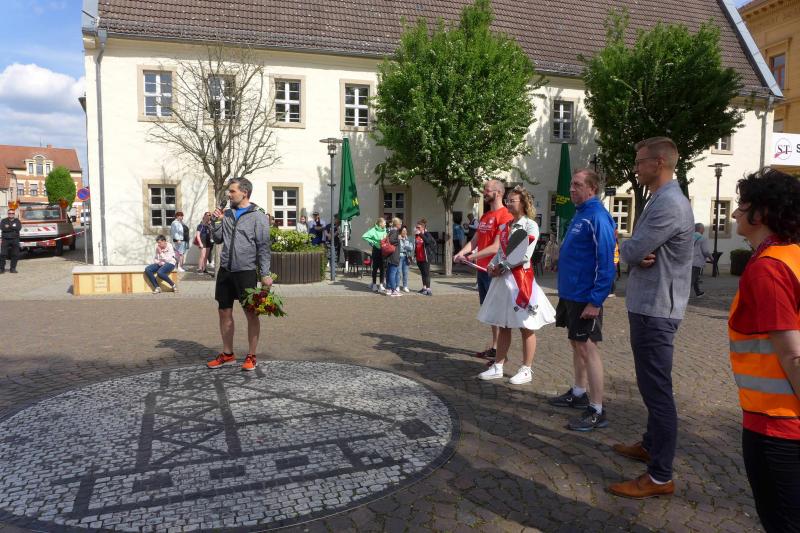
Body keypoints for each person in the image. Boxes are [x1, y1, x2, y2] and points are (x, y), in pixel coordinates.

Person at [608, 137, 694, 499]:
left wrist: (626, 244)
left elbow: (631, 250)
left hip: (657, 310)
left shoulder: (669, 203)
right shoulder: (661, 198)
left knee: (657, 392)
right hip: (651, 305)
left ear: (658, 163)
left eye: (640, 161)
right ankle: (649, 445)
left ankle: (660, 476)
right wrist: (635, 248)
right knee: (651, 386)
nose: (636, 168)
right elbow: (639, 249)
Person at [728, 168, 800, 532]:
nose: (734, 213)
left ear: (762, 212)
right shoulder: (792, 255)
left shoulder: (768, 269)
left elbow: (792, 355)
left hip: (777, 425)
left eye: (742, 205)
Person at [548, 169, 616, 431]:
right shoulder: (581, 214)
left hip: (586, 296)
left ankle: (597, 409)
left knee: (588, 348)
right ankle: (579, 393)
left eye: (577, 185)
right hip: (570, 293)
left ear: (592, 188)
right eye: (571, 184)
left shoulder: (597, 216)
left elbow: (606, 262)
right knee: (576, 344)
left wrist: (596, 301)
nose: (571, 189)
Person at [476, 186, 556, 384]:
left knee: (526, 326)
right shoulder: (505, 227)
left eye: (512, 200)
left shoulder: (530, 225)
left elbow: (525, 254)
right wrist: (492, 265)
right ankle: (498, 366)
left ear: (523, 203)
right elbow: (500, 252)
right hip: (503, 282)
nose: (508, 203)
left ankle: (526, 369)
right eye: (508, 200)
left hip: (521, 281)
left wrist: (502, 266)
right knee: (503, 324)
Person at [206, 177, 272, 372]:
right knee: (223, 311)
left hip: (246, 271)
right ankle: (227, 353)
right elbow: (218, 239)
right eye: (229, 191)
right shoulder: (226, 214)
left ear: (245, 192)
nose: (229, 194)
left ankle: (251, 355)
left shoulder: (258, 216)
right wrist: (215, 221)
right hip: (226, 270)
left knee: (251, 313)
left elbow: (263, 247)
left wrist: (265, 274)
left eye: (232, 191)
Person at [454, 179, 514, 362]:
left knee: (497, 311)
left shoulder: (505, 216)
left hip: (495, 271)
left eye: (487, 190)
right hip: (482, 270)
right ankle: (495, 347)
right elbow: (475, 240)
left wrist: (471, 257)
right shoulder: (486, 216)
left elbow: (497, 246)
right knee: (489, 310)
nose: (484, 192)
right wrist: (462, 253)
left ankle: (500, 352)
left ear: (498, 192)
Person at [362, 218, 387, 292]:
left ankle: (381, 284)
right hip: (376, 250)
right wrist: (372, 241)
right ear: (380, 223)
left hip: (383, 250)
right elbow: (364, 236)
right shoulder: (373, 230)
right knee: (375, 268)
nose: (385, 224)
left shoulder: (385, 230)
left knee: (382, 268)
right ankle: (374, 284)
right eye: (384, 223)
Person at [414, 219, 437, 296]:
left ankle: (428, 289)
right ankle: (424, 288)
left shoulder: (427, 234)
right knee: (422, 273)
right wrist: (414, 255)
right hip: (419, 257)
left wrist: (420, 234)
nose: (417, 228)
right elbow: (416, 245)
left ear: (423, 228)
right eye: (416, 227)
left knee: (426, 273)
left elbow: (427, 241)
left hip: (425, 257)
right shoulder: (417, 235)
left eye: (419, 227)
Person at [691, 223, 712, 297]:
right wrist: (711, 257)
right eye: (703, 229)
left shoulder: (689, 237)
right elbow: (705, 251)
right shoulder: (703, 238)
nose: (704, 231)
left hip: (688, 261)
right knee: (692, 279)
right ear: (701, 229)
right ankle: (683, 296)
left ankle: (698, 292)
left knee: (695, 277)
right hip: (696, 261)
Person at [384, 217, 403, 296]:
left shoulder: (391, 231)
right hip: (394, 256)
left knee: (389, 273)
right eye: (400, 224)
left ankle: (388, 289)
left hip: (390, 256)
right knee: (393, 273)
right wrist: (398, 239)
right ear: (397, 224)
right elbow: (391, 241)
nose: (401, 225)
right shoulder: (395, 232)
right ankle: (393, 290)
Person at [0, 207, 21, 274]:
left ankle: (13, 268)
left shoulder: (17, 221)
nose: (11, 214)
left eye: (12, 213)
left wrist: (9, 226)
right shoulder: (3, 220)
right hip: (5, 240)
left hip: (15, 239)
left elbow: (18, 228)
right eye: (9, 213)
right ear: (8, 214)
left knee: (15, 254)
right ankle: (1, 269)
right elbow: (3, 228)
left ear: (14, 214)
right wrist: (13, 227)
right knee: (3, 254)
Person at [398, 225, 414, 292]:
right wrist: (406, 247)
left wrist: (404, 247)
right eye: (403, 231)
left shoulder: (409, 238)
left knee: (405, 272)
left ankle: (405, 286)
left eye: (405, 231)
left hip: (406, 257)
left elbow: (411, 247)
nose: (404, 232)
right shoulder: (398, 238)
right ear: (400, 231)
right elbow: (399, 249)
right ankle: (397, 286)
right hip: (399, 257)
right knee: (398, 272)